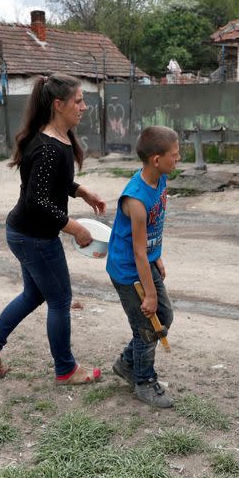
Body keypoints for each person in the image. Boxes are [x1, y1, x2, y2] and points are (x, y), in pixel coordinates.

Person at [0, 73, 106, 385]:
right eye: (78, 101)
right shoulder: (48, 147)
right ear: (58, 105)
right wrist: (74, 228)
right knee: (60, 300)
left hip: (24, 232)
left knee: (35, 294)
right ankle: (66, 369)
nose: (84, 107)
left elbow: (50, 185)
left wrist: (80, 191)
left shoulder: (56, 141)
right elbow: (37, 201)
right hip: (33, 237)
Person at [106, 126, 180, 408]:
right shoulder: (136, 200)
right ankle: (144, 381)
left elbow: (151, 233)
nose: (179, 158)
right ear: (156, 159)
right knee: (147, 328)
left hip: (145, 262)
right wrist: (149, 294)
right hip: (128, 271)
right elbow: (137, 251)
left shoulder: (160, 180)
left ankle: (128, 363)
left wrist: (156, 254)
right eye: (174, 155)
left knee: (164, 316)